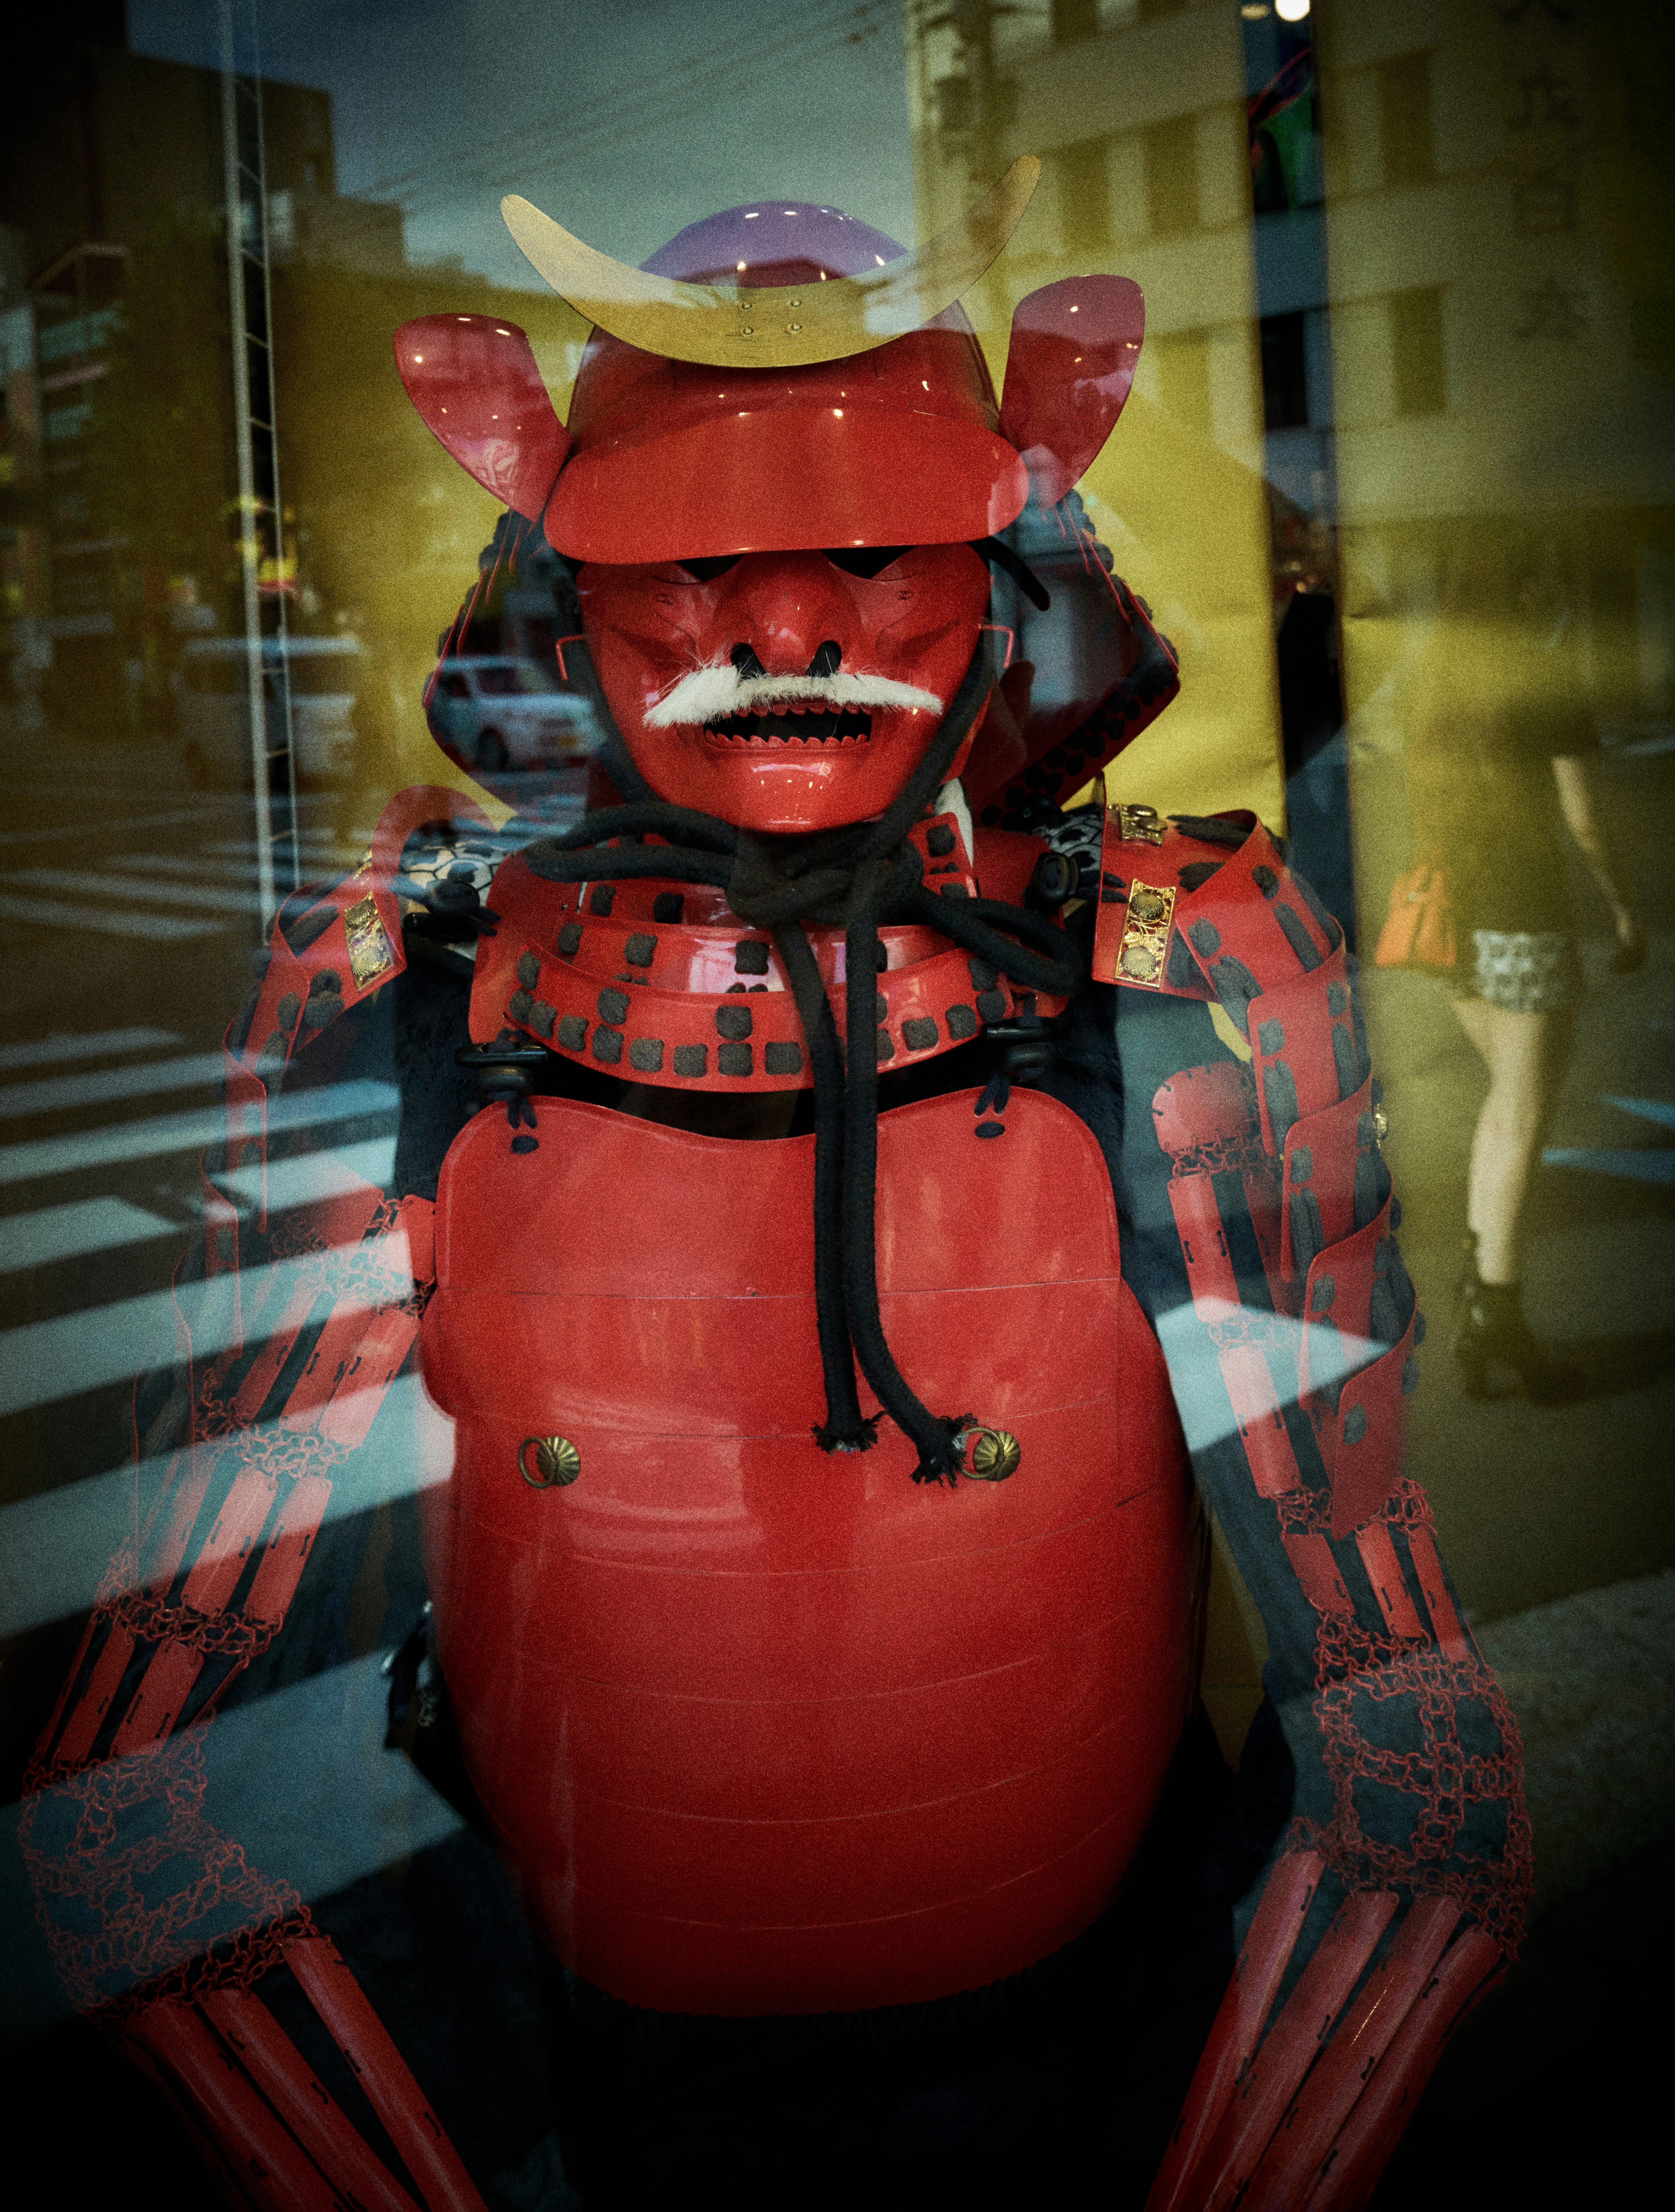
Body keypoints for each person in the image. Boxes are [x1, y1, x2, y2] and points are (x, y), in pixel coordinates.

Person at [23, 171, 1530, 2209]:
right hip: (596, 2050)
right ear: (564, 604)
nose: (787, 632)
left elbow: (1405, 1746)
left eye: (863, 557)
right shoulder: (413, 996)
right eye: (689, 569)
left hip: (1085, 2024)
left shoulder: (1189, 966)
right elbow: (129, 1806)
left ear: (1004, 579)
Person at [1404, 528, 1643, 1399]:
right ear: (1524, 589)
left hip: (1450, 920)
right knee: (1520, 1114)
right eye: (1544, 574)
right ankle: (1494, 1310)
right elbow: (1585, 821)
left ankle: (1485, 1298)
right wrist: (1625, 914)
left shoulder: (1428, 675)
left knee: (1505, 1109)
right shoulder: (1542, 675)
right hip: (1525, 918)